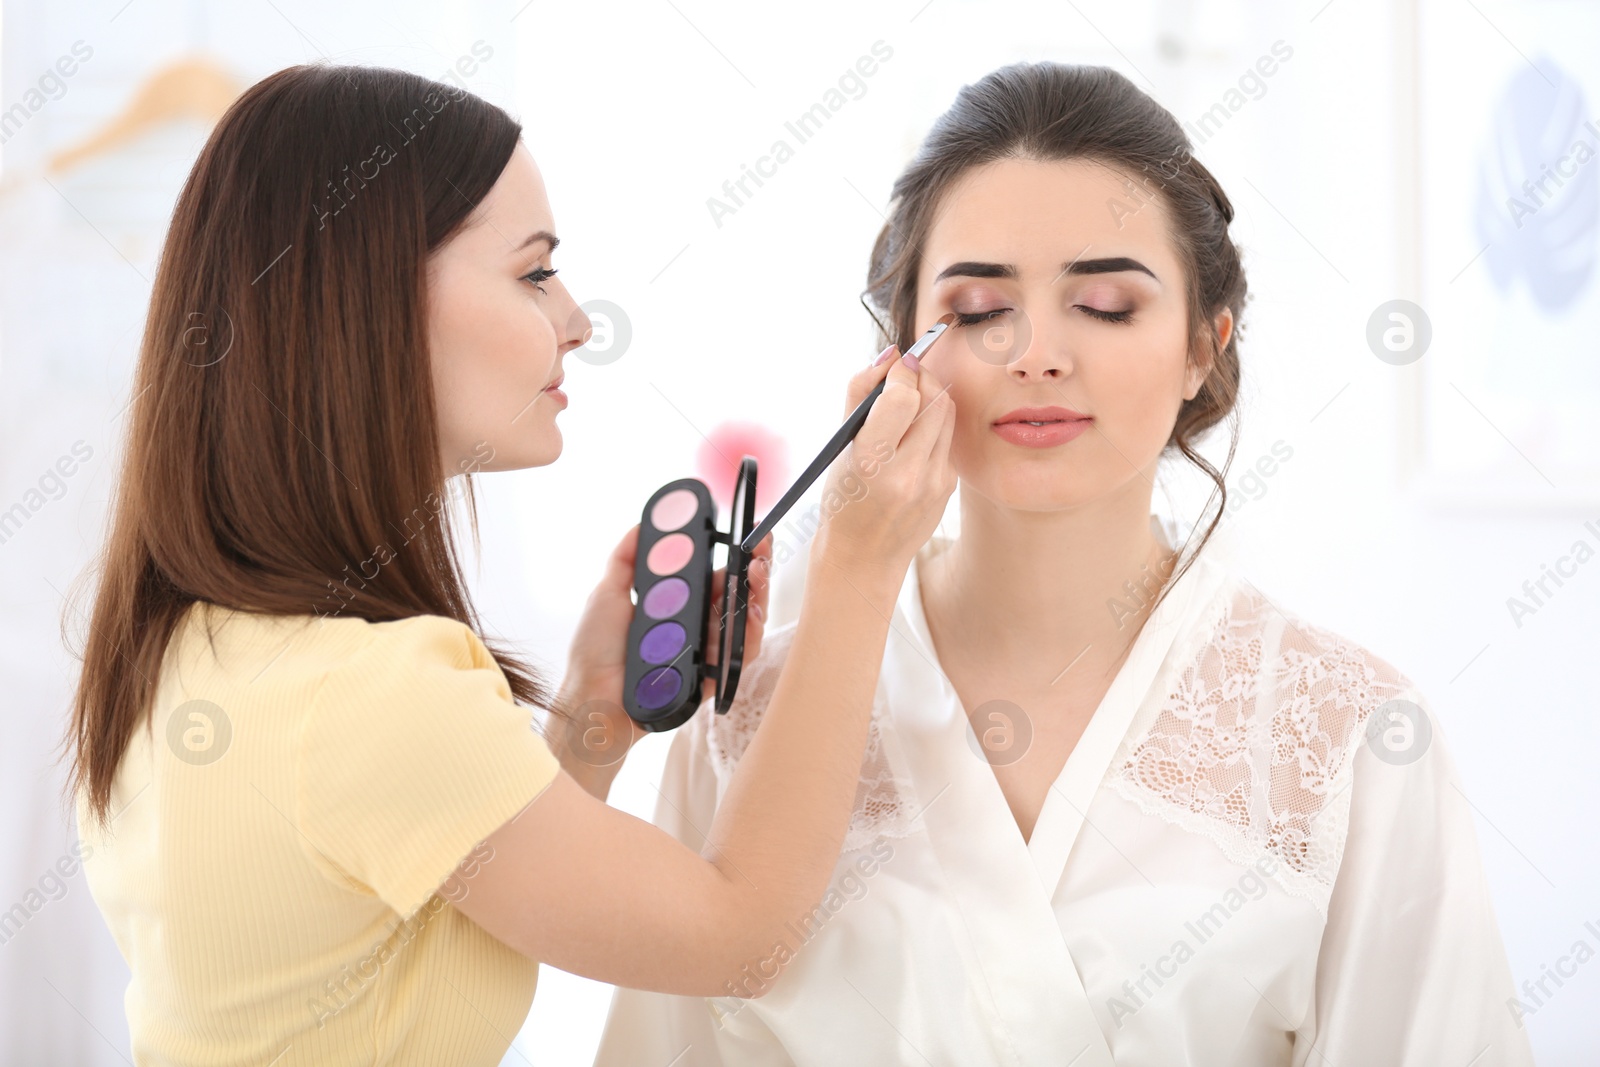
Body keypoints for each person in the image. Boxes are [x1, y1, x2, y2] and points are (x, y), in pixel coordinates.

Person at [593, 61, 1536, 1067]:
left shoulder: (1354, 736)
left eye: (1106, 304)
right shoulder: (742, 721)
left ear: (1202, 348)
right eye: (975, 308)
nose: (1035, 351)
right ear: (894, 358)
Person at [63, 62, 956, 1066]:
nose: (576, 319)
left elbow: (445, 896)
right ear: (370, 297)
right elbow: (739, 934)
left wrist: (585, 716)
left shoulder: (201, 641)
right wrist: (857, 562)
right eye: (534, 272)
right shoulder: (368, 694)